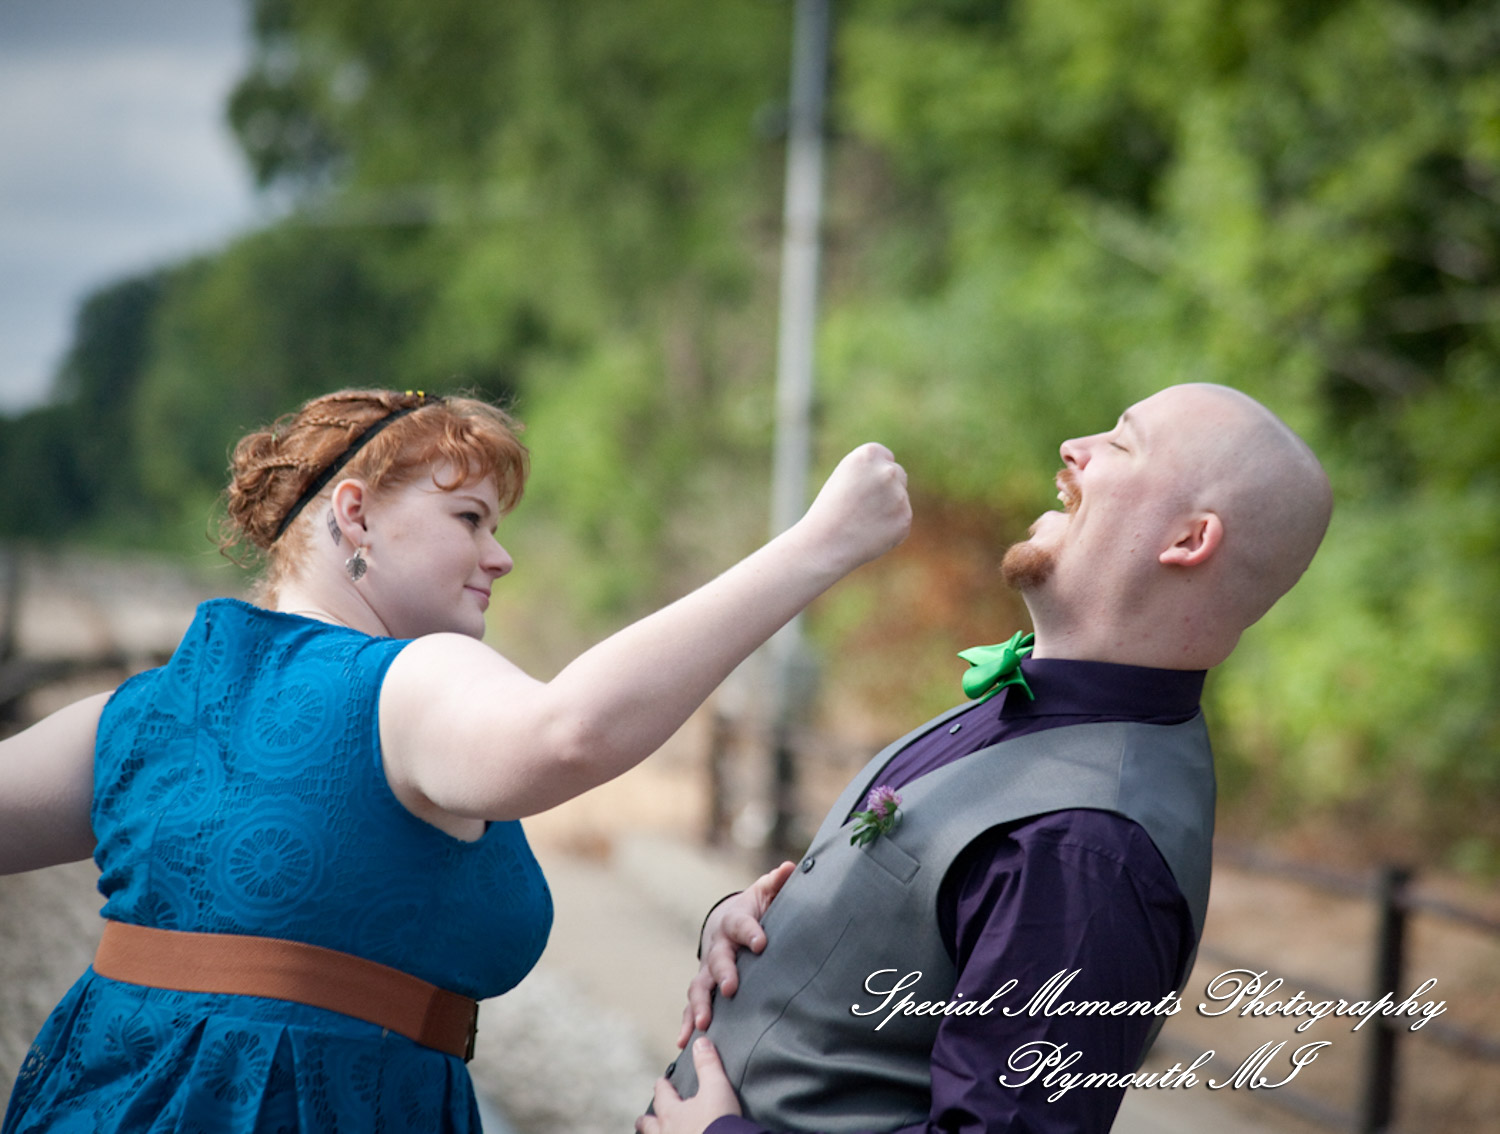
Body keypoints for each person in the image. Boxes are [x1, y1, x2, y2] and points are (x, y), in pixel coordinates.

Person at [0, 388, 911, 1134]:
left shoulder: (142, 709)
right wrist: (816, 546)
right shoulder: (407, 680)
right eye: (470, 517)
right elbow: (569, 734)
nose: (501, 556)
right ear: (353, 514)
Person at [642, 382, 1334, 1134]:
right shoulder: (1034, 711)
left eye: (1121, 442)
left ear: (1187, 541)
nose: (1076, 446)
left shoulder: (1087, 848)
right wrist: (753, 930)